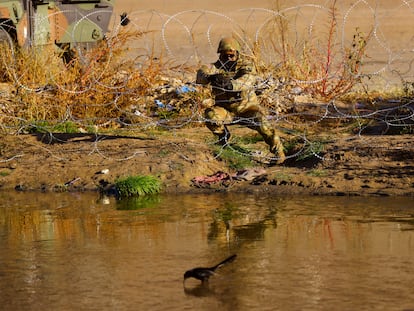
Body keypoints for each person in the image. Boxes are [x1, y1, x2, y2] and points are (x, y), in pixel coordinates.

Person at [196, 37, 285, 164]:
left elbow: (248, 80)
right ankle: (223, 138)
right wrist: (211, 78)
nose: (228, 59)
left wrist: (230, 85)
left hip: (247, 109)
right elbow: (201, 75)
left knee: (264, 124)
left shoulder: (247, 65)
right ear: (220, 55)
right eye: (225, 56)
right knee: (211, 116)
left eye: (231, 55)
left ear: (237, 54)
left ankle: (279, 153)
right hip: (225, 110)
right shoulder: (216, 67)